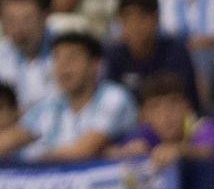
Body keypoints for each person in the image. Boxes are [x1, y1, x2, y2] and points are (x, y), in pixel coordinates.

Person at [10, 30, 136, 162]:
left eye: (72, 58)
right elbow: (14, 137)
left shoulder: (114, 97)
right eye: (57, 58)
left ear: (95, 65)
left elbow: (84, 150)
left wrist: (38, 158)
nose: (63, 66)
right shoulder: (51, 103)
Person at [103, 0, 200, 111]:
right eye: (128, 19)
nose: (135, 26)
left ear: (156, 19)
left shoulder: (175, 51)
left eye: (142, 18)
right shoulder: (114, 55)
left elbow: (184, 99)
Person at [110, 71, 214, 164]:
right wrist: (124, 152)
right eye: (155, 107)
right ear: (144, 116)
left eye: (173, 104)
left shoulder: (206, 127)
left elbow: (207, 150)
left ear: (187, 107)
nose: (166, 114)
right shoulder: (146, 134)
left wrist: (180, 151)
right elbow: (109, 151)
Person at [0, 0, 55, 113]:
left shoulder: (64, 52)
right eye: (11, 20)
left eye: (27, 19)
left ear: (44, 17)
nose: (18, 28)